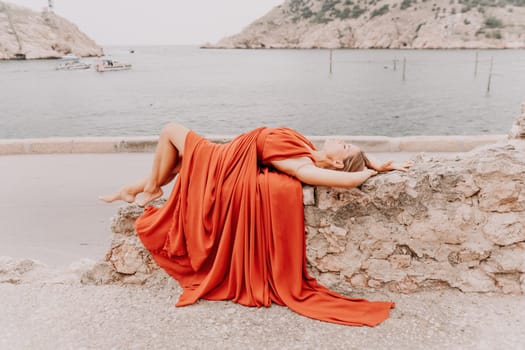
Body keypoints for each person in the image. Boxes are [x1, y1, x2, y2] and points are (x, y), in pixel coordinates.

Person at [100, 123, 411, 327]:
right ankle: (136, 188)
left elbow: (321, 177)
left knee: (170, 131)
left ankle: (149, 189)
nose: (342, 140)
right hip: (231, 154)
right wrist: (378, 164)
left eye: (344, 148)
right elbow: (353, 162)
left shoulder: (300, 163)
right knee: (178, 163)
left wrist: (363, 176)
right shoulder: (309, 150)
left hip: (224, 159)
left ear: (337, 164)